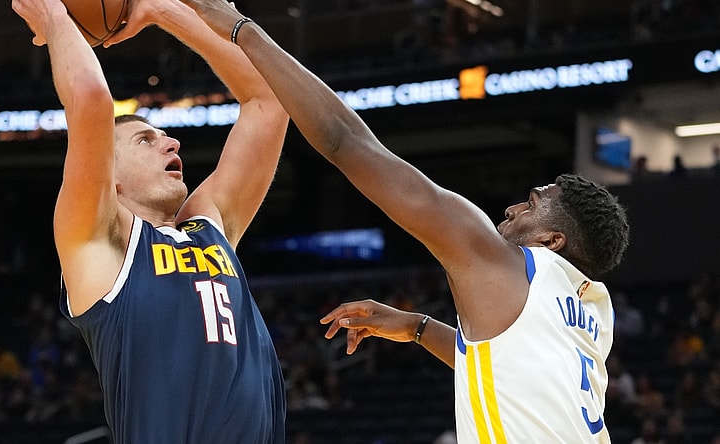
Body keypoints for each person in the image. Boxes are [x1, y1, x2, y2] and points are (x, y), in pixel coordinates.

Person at [187, 2, 630, 442]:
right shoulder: (592, 307)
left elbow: (344, 140)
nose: (514, 208)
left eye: (532, 205)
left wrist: (242, 29)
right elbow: (513, 368)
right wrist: (419, 328)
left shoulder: (505, 263)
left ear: (554, 240)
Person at [11, 0, 289, 442]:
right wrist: (55, 17)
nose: (172, 143)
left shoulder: (207, 225)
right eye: (146, 139)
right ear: (111, 176)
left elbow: (269, 100)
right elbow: (89, 102)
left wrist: (163, 10)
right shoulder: (100, 243)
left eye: (165, 136)